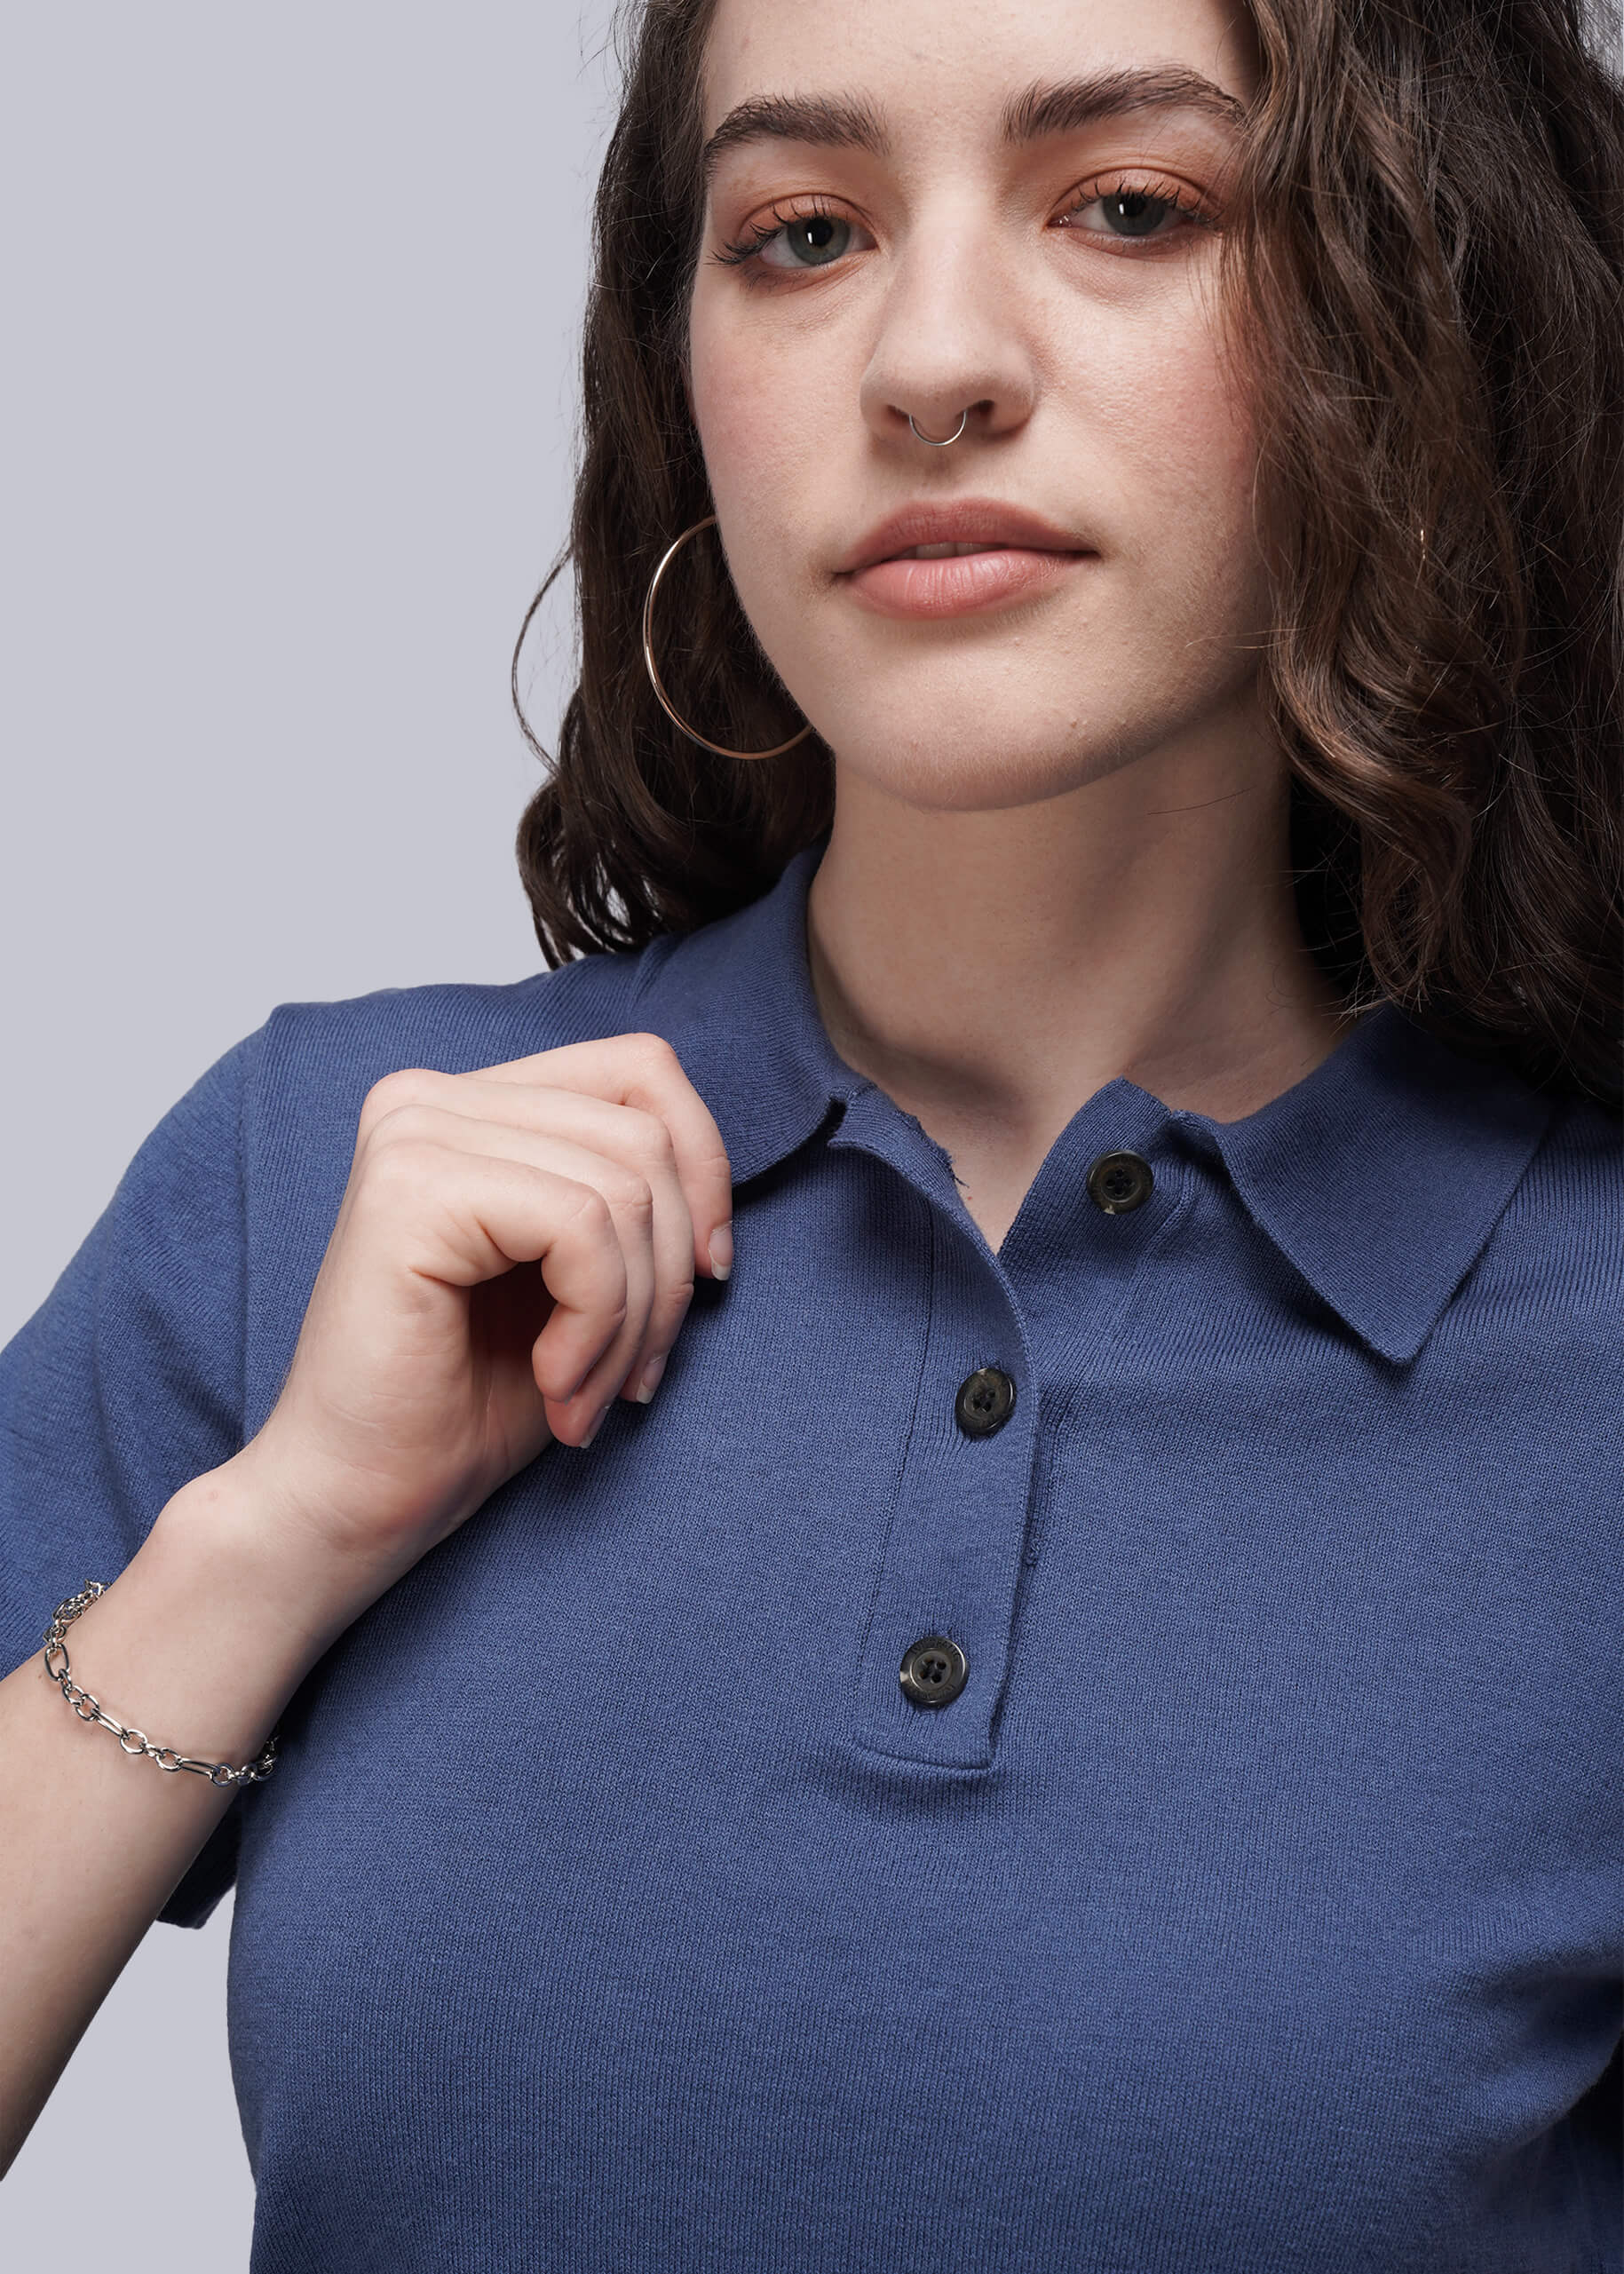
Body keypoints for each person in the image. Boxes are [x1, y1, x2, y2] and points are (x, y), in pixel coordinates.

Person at [2, 0, 1620, 2263]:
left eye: (1131, 206)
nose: (929, 357)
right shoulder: (323, 1173)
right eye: (804, 232)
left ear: (1424, 302)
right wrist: (262, 1546)